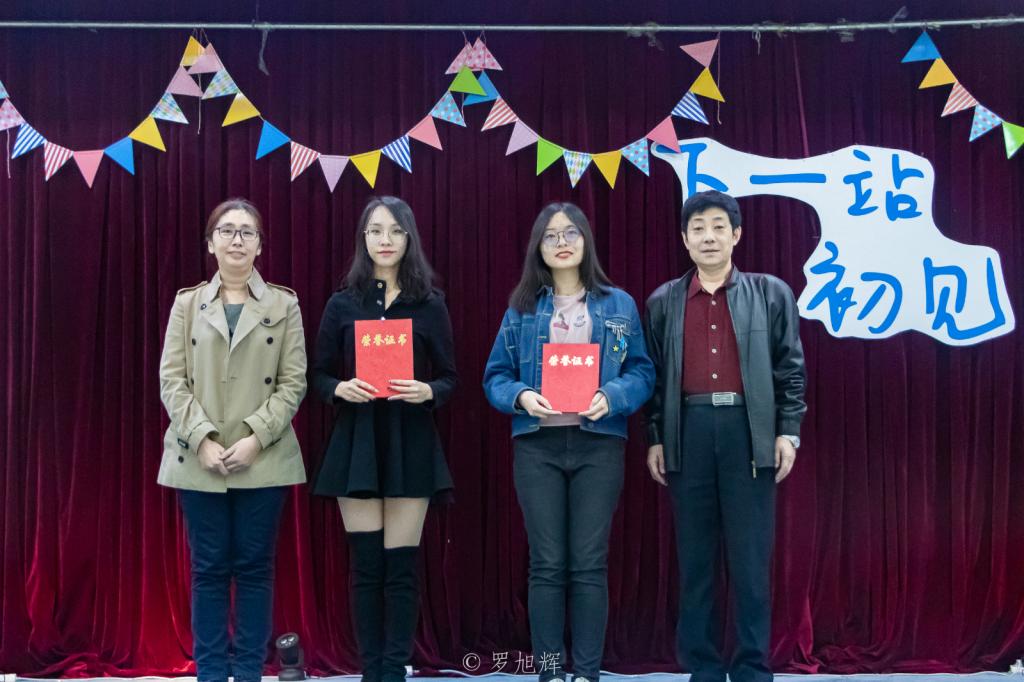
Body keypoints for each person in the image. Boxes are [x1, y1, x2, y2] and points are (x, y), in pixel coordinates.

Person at [483, 202, 654, 682]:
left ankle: (587, 672)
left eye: (571, 233)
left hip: (599, 444)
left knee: (589, 563)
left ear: (586, 241)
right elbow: (495, 376)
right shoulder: (522, 308)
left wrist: (613, 395)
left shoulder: (618, 304)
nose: (562, 242)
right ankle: (551, 671)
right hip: (537, 445)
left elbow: (642, 371)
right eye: (551, 235)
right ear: (538, 247)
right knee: (547, 563)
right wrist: (521, 396)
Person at [643, 190, 806, 682]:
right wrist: (656, 437)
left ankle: (753, 668)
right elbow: (654, 378)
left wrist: (788, 433)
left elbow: (791, 370)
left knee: (750, 563)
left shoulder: (771, 293)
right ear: (684, 239)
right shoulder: (663, 301)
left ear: (736, 234)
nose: (708, 236)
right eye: (698, 228)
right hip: (688, 432)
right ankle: (704, 669)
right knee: (696, 564)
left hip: (748, 431)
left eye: (718, 226)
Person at [158, 198, 308, 682]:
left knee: (254, 568)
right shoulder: (187, 305)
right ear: (210, 243)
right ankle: (209, 673)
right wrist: (201, 439)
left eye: (247, 232)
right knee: (207, 570)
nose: (237, 240)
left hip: (262, 459)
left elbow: (293, 383)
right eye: (227, 231)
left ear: (260, 245)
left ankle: (247, 672)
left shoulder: (284, 305)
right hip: (198, 457)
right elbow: (172, 381)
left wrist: (255, 439)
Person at [311, 196, 457, 682]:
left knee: (401, 569)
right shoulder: (343, 303)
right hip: (356, 444)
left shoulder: (429, 303)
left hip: (410, 441)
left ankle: (393, 671)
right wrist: (339, 388)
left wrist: (428, 391)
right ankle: (370, 671)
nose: (385, 240)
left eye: (395, 231)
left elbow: (450, 378)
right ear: (364, 239)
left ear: (409, 237)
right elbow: (317, 375)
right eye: (375, 231)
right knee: (367, 568)